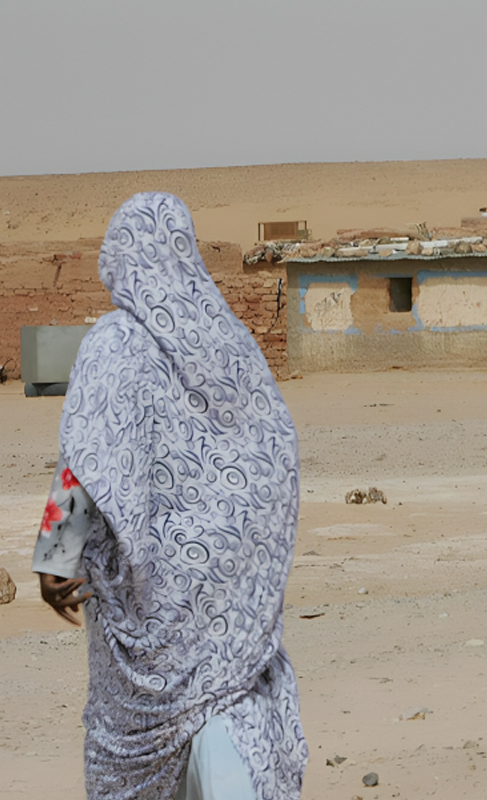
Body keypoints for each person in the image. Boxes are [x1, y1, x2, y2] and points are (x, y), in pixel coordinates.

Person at [32, 193, 307, 799]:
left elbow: (82, 457)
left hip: (143, 604)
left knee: (139, 757)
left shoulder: (113, 342)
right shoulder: (227, 341)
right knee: (225, 706)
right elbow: (271, 452)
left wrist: (54, 559)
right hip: (219, 606)